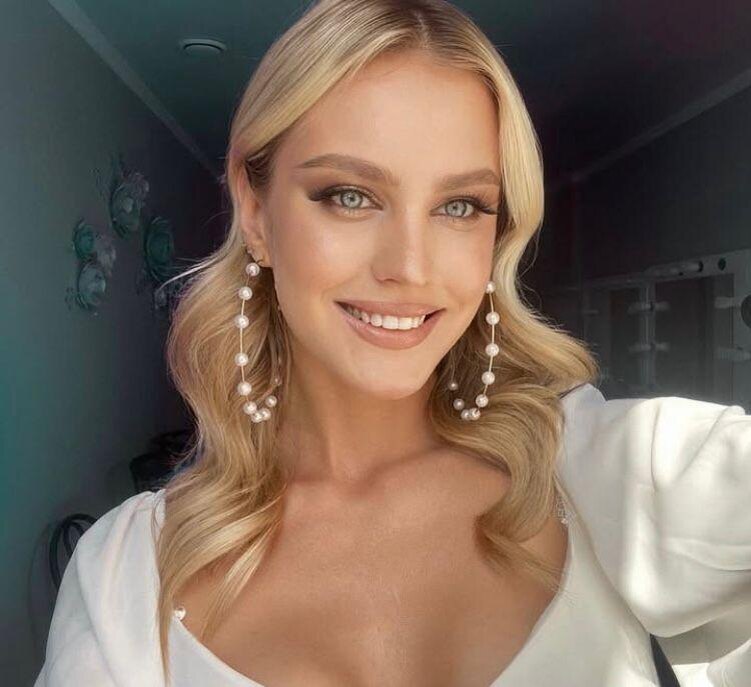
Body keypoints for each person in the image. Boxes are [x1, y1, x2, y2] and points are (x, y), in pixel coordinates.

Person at [34, 1, 751, 685]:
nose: (409, 267)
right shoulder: (126, 577)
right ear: (255, 212)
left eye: (460, 206)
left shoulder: (609, 472)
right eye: (350, 195)